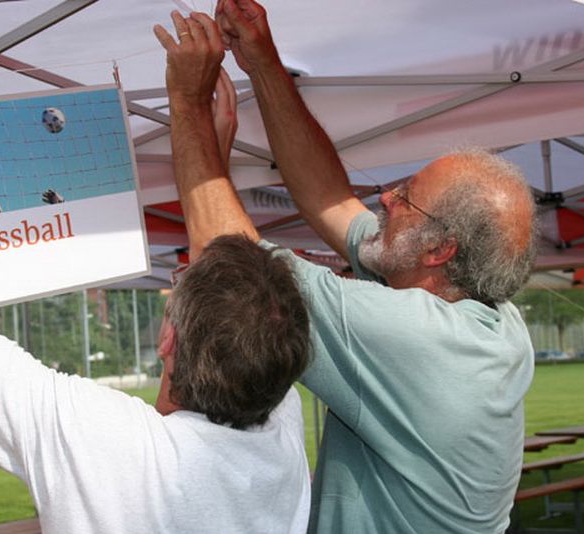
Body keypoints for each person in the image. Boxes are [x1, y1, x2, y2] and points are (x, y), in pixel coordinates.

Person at [0, 62, 312, 533]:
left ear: (168, 340)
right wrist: (208, 149)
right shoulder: (280, 426)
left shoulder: (119, 449)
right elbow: (233, 296)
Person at [155, 3, 537, 532]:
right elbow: (330, 199)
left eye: (406, 197)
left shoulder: (421, 337)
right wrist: (262, 60)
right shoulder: (488, 314)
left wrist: (187, 103)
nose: (385, 197)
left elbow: (234, 268)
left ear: (438, 250)